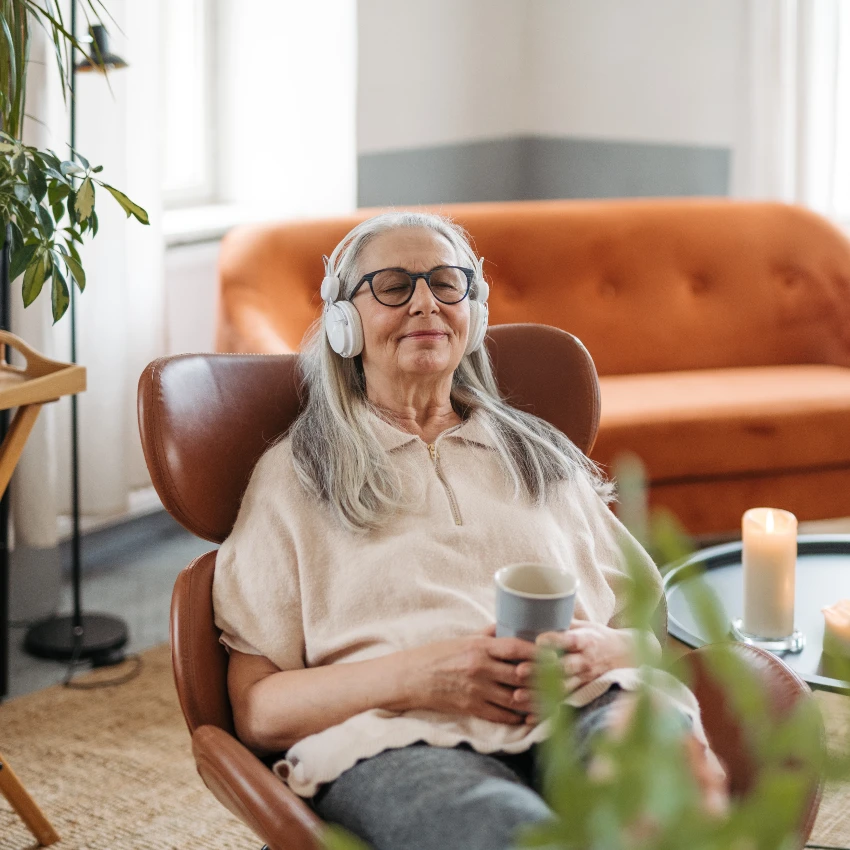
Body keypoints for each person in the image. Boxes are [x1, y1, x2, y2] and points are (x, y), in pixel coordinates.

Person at [212, 211, 728, 850]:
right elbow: (258, 710)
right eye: (394, 285)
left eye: (447, 283)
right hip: (393, 734)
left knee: (663, 810)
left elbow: (650, 633)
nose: (426, 302)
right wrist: (420, 676)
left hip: (592, 702)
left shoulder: (542, 456)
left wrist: (603, 649)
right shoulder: (295, 476)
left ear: (473, 312)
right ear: (345, 323)